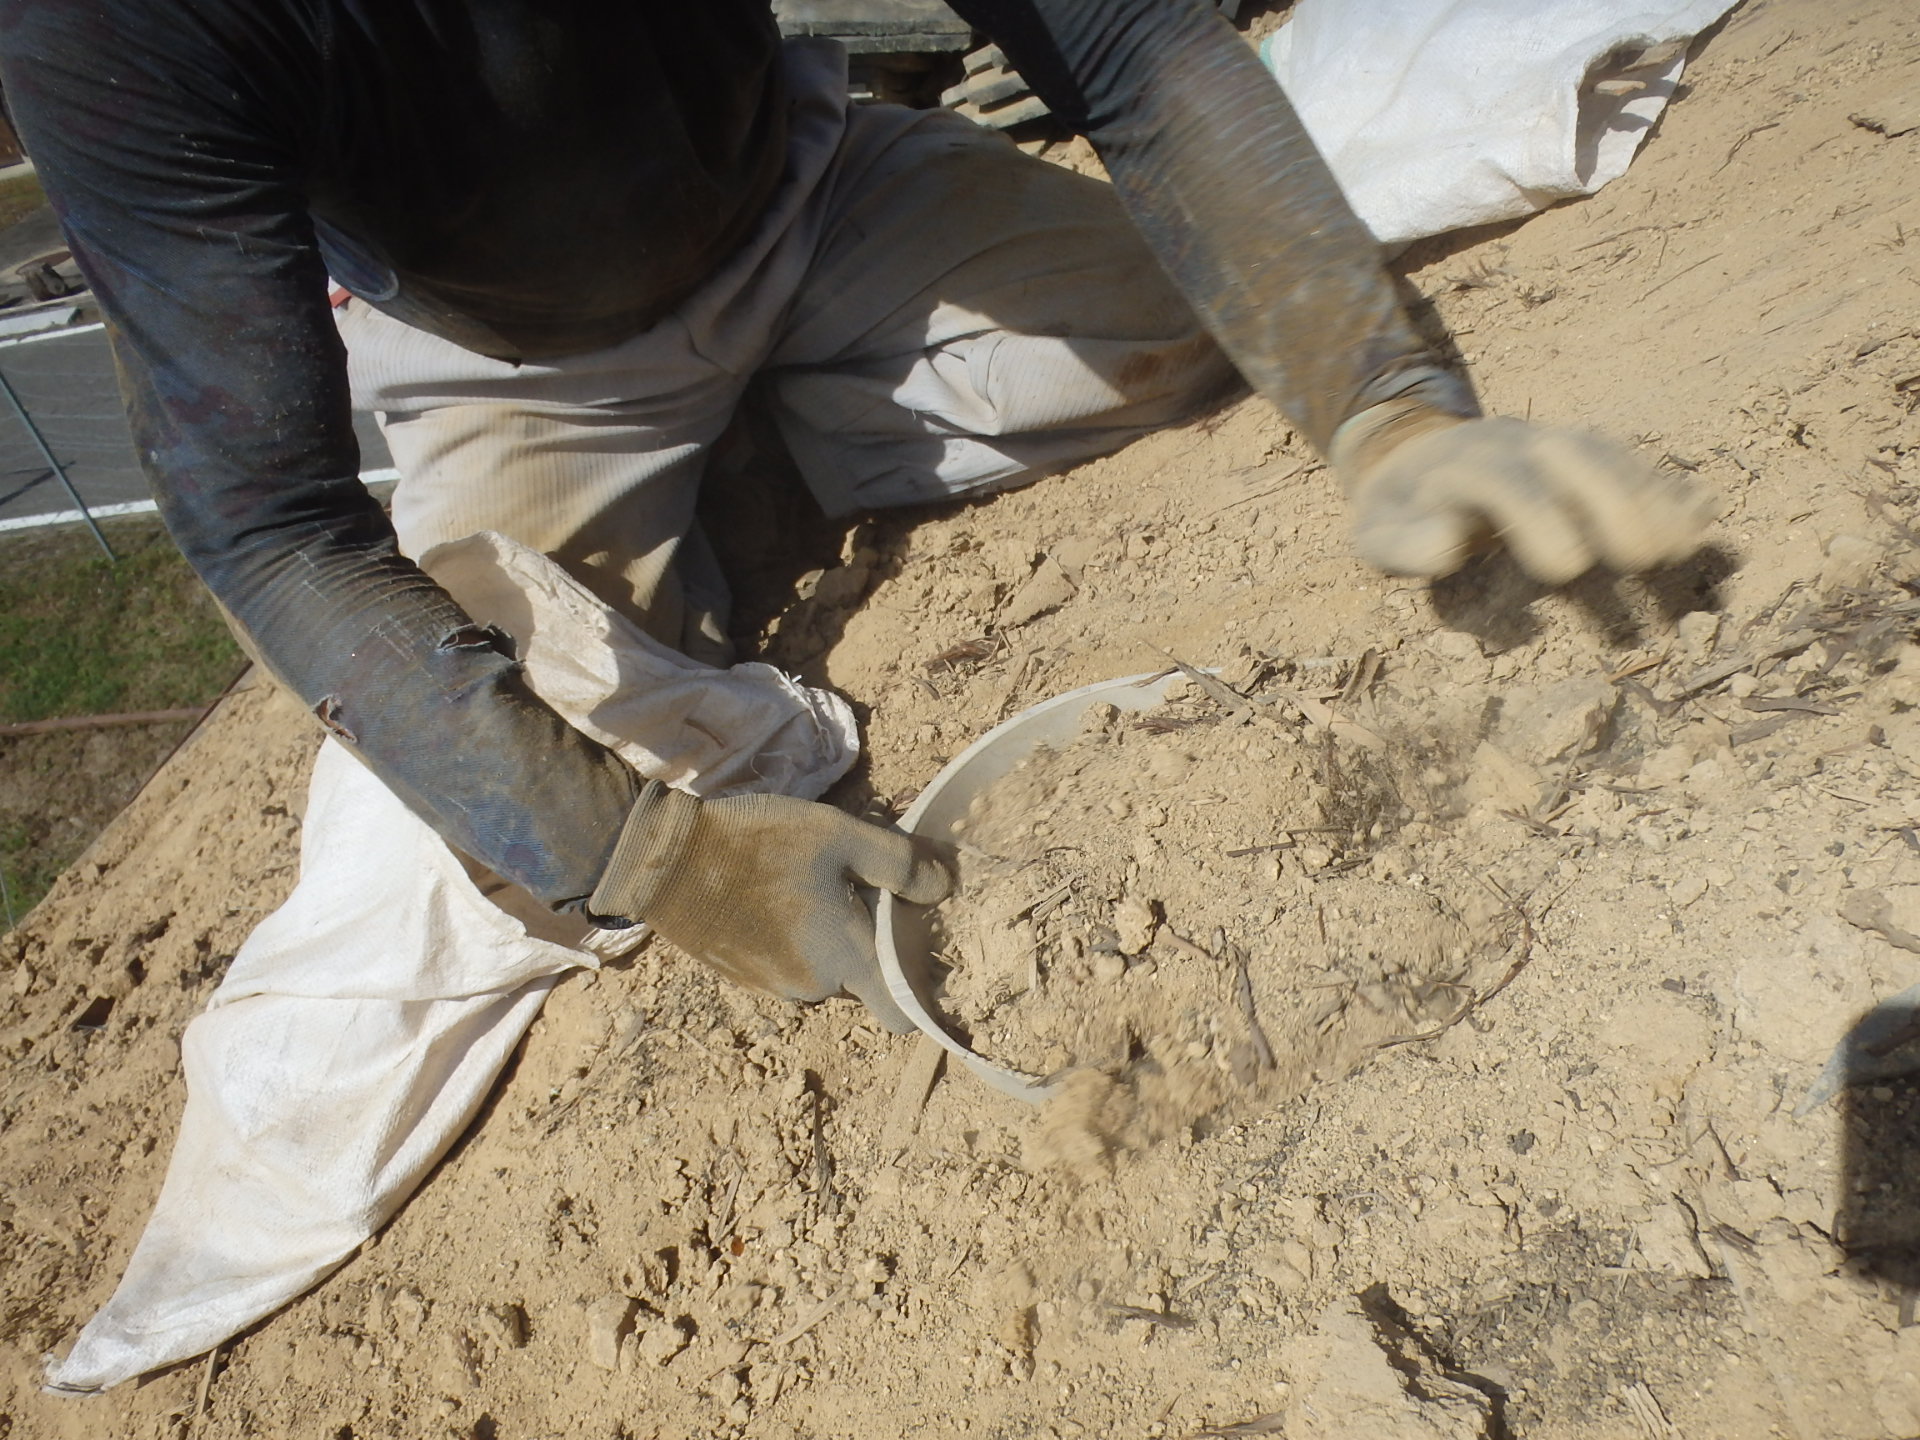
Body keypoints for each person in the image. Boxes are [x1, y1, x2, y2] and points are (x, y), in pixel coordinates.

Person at [0, 0, 1708, 1027]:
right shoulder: (121, 31)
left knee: (1189, 328)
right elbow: (274, 527)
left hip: (811, 192)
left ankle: (773, 454)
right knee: (529, 789)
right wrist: (652, 859)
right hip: (516, 358)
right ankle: (728, 470)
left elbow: (1120, 42)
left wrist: (1381, 402)